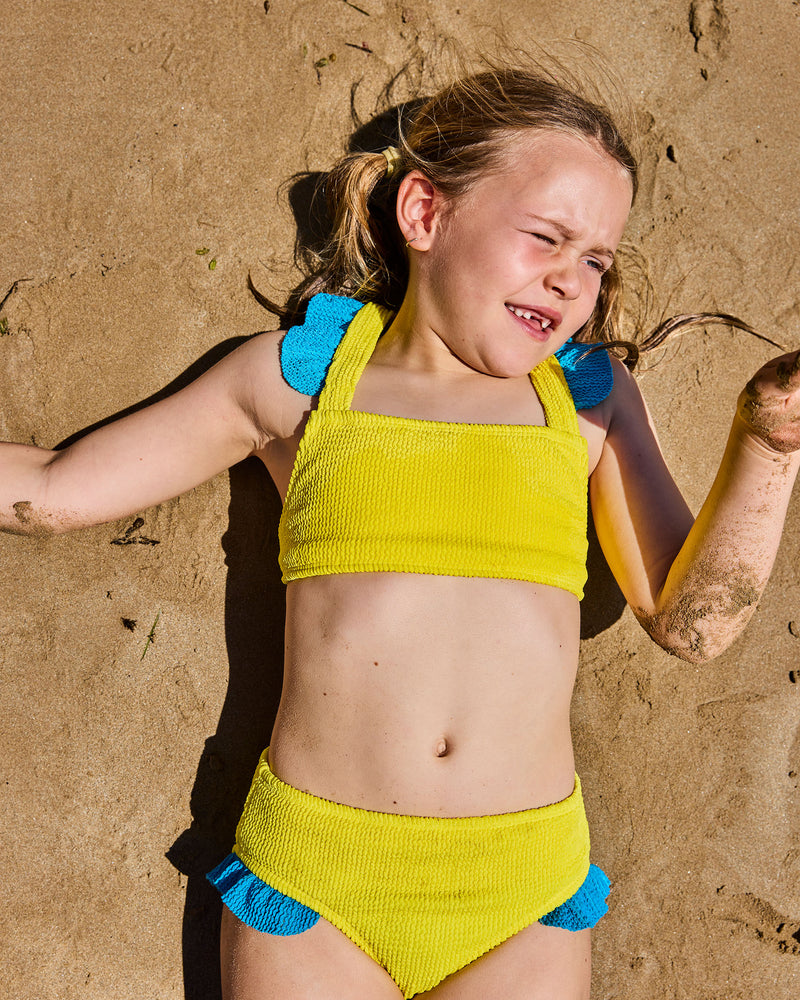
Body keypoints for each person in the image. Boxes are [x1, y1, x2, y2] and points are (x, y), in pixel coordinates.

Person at [2, 68, 799, 1000]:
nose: (570, 278)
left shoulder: (586, 403)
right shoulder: (299, 381)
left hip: (523, 886)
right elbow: (51, 491)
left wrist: (769, 441)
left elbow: (691, 623)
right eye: (546, 236)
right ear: (424, 213)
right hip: (320, 877)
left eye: (596, 260)